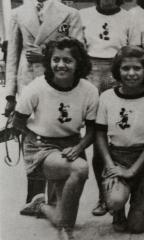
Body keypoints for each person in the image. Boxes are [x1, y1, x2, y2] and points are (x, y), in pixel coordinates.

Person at [4, 0, 84, 216]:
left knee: (56, 135)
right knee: (31, 138)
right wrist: (10, 96)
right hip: (29, 85)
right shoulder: (18, 14)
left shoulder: (69, 14)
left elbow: (79, 50)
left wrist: (46, 57)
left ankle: (54, 196)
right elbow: (13, 57)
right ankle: (34, 197)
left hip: (59, 85)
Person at [12, 37, 97, 239]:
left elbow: (93, 131)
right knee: (80, 168)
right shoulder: (37, 87)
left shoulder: (89, 90)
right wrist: (34, 138)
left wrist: (79, 147)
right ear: (49, 61)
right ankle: (65, 231)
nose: (60, 65)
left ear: (79, 64)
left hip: (72, 144)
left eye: (68, 60)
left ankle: (40, 205)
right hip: (42, 146)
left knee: (61, 215)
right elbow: (17, 121)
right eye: (56, 59)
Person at [95, 46, 144, 233]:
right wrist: (110, 165)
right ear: (117, 71)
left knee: (137, 227)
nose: (131, 73)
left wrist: (133, 170)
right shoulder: (106, 97)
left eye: (137, 68)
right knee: (116, 199)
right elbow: (100, 135)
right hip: (117, 156)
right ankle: (117, 212)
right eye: (125, 68)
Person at [79, 0, 130, 217]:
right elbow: (74, 48)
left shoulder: (128, 17)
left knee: (119, 137)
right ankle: (102, 197)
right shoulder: (82, 15)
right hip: (91, 76)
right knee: (98, 141)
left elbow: (133, 54)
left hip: (119, 76)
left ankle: (124, 196)